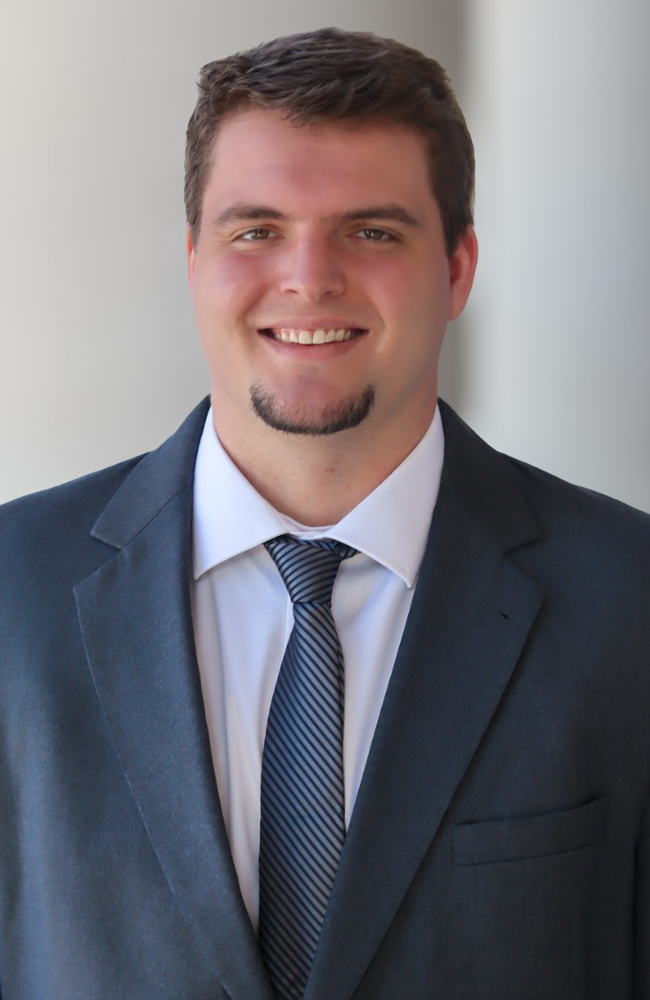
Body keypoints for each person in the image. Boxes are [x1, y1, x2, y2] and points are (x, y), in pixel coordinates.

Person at [0, 26, 649, 1000]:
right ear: (193, 259)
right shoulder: (12, 593)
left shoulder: (627, 602)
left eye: (371, 231)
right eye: (256, 230)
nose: (308, 277)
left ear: (458, 267)